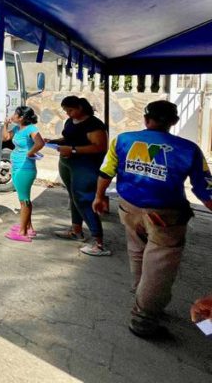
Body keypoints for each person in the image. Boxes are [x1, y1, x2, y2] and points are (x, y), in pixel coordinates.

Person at [94, 100, 212, 338]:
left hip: (129, 208)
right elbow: (205, 189)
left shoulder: (123, 140)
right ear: (174, 122)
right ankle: (143, 320)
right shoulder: (189, 149)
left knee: (137, 253)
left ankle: (143, 297)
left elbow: (106, 171)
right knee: (158, 268)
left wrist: (99, 197)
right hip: (166, 217)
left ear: (146, 119)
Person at [46, 96, 110, 256]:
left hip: (86, 166)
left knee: (84, 199)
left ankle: (99, 242)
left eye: (70, 110)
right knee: (73, 196)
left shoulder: (94, 125)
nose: (68, 114)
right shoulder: (70, 122)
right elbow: (67, 138)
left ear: (81, 107)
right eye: (66, 111)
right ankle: (76, 231)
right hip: (68, 164)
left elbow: (100, 147)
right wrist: (54, 141)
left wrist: (73, 150)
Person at [1, 106, 45, 242]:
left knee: (24, 201)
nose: (13, 115)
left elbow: (40, 143)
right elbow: (5, 138)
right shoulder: (17, 128)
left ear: (21, 118)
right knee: (24, 199)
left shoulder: (31, 129)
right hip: (18, 167)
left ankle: (23, 232)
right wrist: (5, 124)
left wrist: (29, 153)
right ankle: (28, 227)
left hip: (24, 168)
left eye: (15, 114)